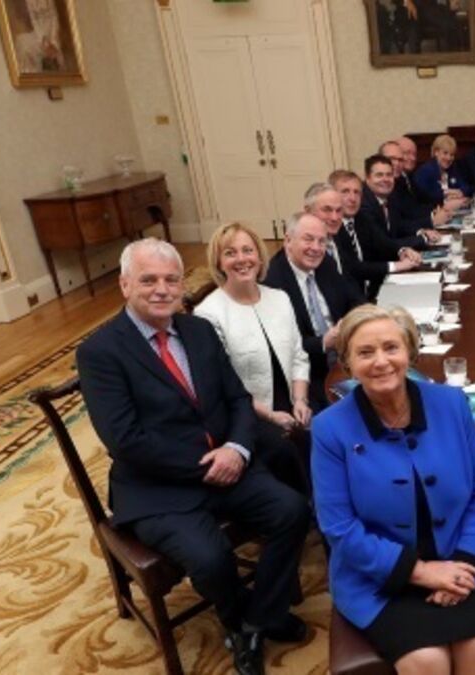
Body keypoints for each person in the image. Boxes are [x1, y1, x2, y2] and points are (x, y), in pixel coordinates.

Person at [77, 238, 311, 675]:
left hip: (229, 464)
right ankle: (239, 617)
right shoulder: (100, 352)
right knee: (211, 559)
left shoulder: (199, 330)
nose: (162, 289)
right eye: (148, 280)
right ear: (125, 285)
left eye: (171, 279)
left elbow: (237, 398)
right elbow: (125, 440)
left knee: (293, 510)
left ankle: (256, 621)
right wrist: (209, 464)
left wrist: (237, 449)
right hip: (157, 487)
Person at [312, 304, 475, 674]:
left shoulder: (451, 404)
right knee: (426, 660)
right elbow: (339, 528)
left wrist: (463, 564)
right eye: (365, 352)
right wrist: (421, 572)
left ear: (410, 352)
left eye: (391, 347)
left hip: (458, 558)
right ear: (348, 364)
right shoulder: (329, 429)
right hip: (377, 576)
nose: (381, 361)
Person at [193, 223, 313, 494]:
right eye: (230, 253)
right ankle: (306, 508)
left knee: (330, 428)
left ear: (259, 257)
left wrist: (300, 400)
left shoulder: (279, 298)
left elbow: (298, 356)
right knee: (286, 447)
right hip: (249, 412)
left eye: (248, 250)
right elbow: (224, 384)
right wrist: (271, 416)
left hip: (292, 399)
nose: (241, 259)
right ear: (219, 262)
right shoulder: (208, 314)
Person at [264, 213, 366, 412]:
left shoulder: (325, 263)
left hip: (344, 354)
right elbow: (280, 347)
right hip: (309, 374)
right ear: (288, 241)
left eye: (322, 241)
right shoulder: (272, 282)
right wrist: (323, 342)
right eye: (308, 239)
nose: (316, 248)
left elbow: (354, 297)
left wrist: (350, 321)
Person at [310, 180, 421, 300]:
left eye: (338, 210)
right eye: (327, 210)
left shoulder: (359, 219)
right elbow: (354, 269)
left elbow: (383, 243)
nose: (334, 217)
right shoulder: (328, 238)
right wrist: (396, 266)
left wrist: (403, 250)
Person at [413, 135, 470, 206]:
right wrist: (446, 194)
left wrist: (459, 192)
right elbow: (426, 196)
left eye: (452, 155)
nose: (449, 158)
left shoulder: (452, 169)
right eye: (445, 153)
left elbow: (466, 187)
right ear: (436, 152)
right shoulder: (426, 171)